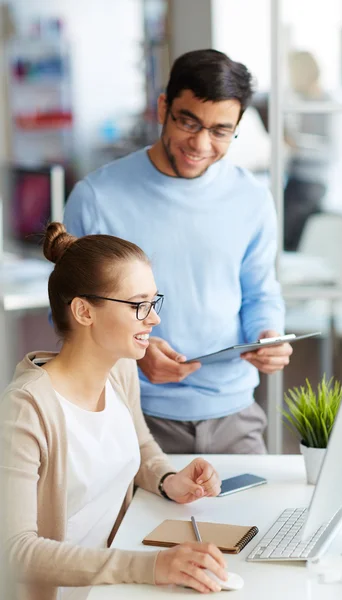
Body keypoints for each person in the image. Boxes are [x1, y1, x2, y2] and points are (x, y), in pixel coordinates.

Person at [64, 49, 293, 455]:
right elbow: (67, 312)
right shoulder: (97, 198)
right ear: (163, 107)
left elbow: (260, 293)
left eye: (221, 130)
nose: (201, 144)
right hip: (134, 415)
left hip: (236, 415)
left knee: (257, 521)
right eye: (189, 121)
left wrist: (267, 334)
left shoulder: (252, 198)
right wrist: (130, 356)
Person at [0, 222, 228, 600]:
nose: (153, 319)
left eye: (154, 302)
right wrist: (149, 567)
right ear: (84, 312)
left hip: (116, 585)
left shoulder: (119, 368)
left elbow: (139, 446)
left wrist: (168, 478)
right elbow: (15, 550)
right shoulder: (26, 408)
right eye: (139, 305)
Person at [284, 51, 338, 251]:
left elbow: (331, 151)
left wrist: (297, 146)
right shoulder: (299, 100)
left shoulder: (329, 104)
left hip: (312, 183)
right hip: (294, 179)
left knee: (287, 240)